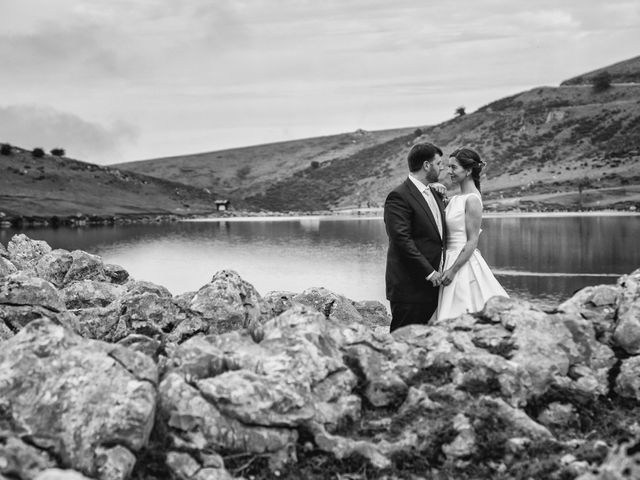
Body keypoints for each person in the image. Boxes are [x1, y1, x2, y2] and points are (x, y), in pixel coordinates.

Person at [436, 147, 508, 320]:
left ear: (468, 170)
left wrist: (453, 271)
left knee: (461, 309)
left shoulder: (473, 200)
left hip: (461, 263)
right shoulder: (455, 198)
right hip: (448, 258)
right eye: (448, 167)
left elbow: (472, 242)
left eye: (453, 167)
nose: (448, 171)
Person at [384, 142, 447, 332]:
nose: (442, 167)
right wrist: (429, 272)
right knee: (400, 341)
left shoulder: (435, 193)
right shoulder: (398, 196)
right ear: (427, 165)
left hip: (434, 287)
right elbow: (401, 240)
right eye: (439, 163)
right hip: (410, 288)